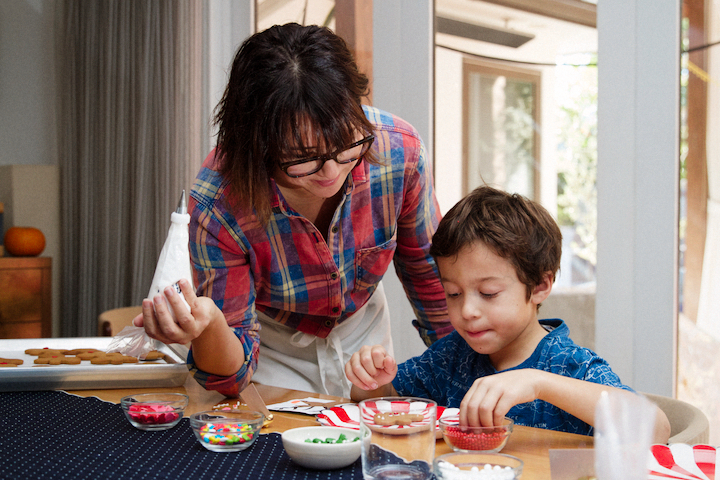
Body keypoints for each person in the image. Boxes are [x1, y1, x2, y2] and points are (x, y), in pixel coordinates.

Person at [133, 23, 451, 398]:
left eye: (347, 144)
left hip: (362, 335)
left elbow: (428, 276)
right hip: (271, 346)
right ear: (257, 146)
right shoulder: (218, 201)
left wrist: (462, 369)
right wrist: (210, 325)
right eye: (303, 159)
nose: (332, 172)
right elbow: (229, 377)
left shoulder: (400, 153)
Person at [345, 185, 671, 442]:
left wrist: (539, 383)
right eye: (453, 293)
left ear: (540, 286)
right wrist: (371, 382)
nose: (467, 311)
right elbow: (383, 402)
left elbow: (655, 428)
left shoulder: (570, 366)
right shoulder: (451, 357)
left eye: (488, 293)